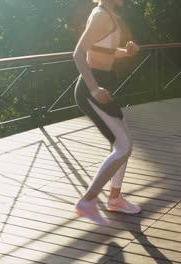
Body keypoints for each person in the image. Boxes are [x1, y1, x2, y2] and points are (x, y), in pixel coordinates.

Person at [73, 0, 141, 225]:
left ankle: (115, 198)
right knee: (124, 146)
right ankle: (87, 201)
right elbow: (78, 53)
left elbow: (104, 50)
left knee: (123, 144)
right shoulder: (101, 14)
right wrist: (93, 87)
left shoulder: (109, 15)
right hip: (92, 88)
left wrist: (126, 52)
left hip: (103, 85)